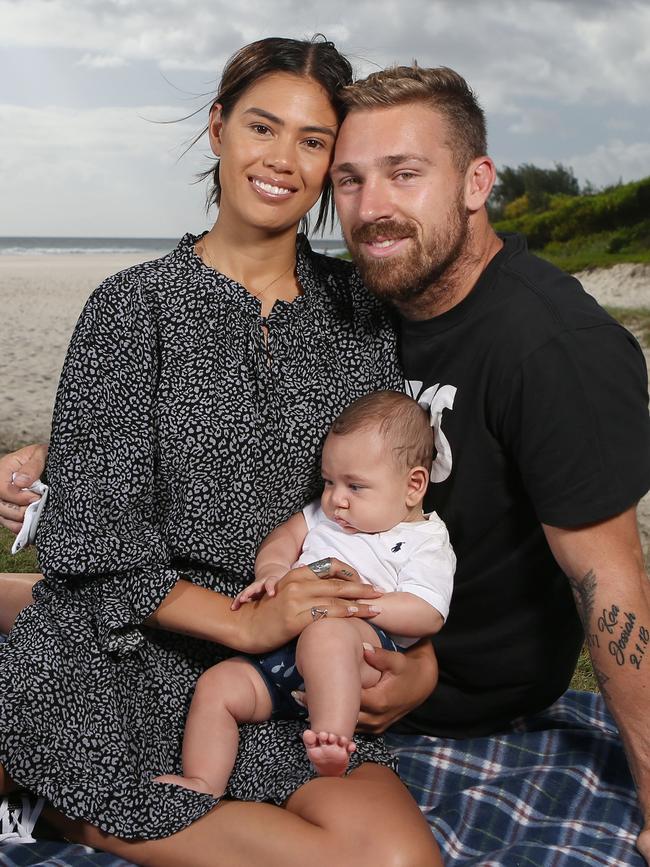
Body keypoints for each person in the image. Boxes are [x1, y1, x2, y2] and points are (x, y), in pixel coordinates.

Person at [0, 38, 443, 867]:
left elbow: (391, 506)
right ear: (217, 129)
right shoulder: (131, 306)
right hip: (127, 648)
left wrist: (414, 667)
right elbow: (99, 549)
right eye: (262, 127)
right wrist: (254, 623)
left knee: (401, 859)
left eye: (313, 141)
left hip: (289, 665)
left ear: (330, 161)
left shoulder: (361, 318)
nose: (283, 159)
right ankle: (56, 799)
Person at [329, 64, 650, 862]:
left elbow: (608, 586)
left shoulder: (554, 351)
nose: (372, 210)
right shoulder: (356, 305)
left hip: (450, 702)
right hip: (310, 622)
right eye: (351, 181)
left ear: (477, 183)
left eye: (405, 174)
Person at [154, 390, 454, 792]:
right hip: (281, 661)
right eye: (329, 482)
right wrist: (273, 571)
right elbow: (284, 537)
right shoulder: (325, 515)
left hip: (353, 657)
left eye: (355, 486)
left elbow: (427, 612)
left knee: (327, 634)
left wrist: (353, 605)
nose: (335, 499)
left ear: (413, 486)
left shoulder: (424, 541)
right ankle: (204, 780)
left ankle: (332, 740)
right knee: (217, 686)